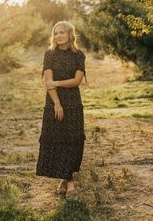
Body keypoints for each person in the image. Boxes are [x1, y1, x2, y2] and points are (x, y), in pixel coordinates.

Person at [36, 20, 87, 198]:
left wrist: (57, 83)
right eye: (56, 33)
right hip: (54, 101)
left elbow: (76, 81)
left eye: (62, 33)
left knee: (72, 139)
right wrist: (57, 103)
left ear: (70, 35)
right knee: (58, 139)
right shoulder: (49, 54)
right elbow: (47, 82)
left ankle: (66, 179)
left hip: (73, 102)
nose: (58, 36)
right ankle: (67, 180)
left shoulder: (79, 55)